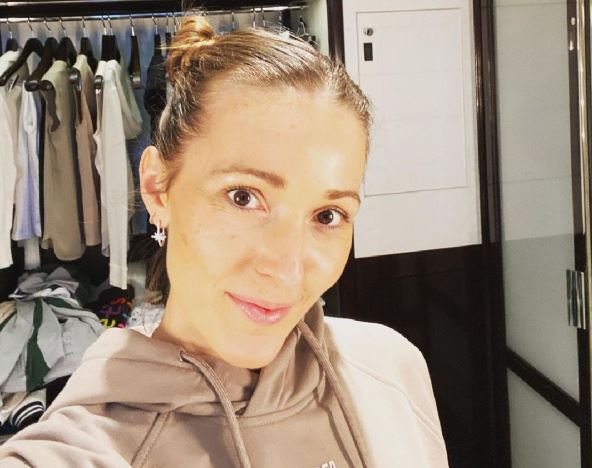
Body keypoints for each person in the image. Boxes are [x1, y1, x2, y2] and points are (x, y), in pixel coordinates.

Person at [0, 15, 449, 468]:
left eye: (327, 215)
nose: (287, 270)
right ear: (157, 188)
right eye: (243, 197)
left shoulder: (394, 368)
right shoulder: (78, 450)